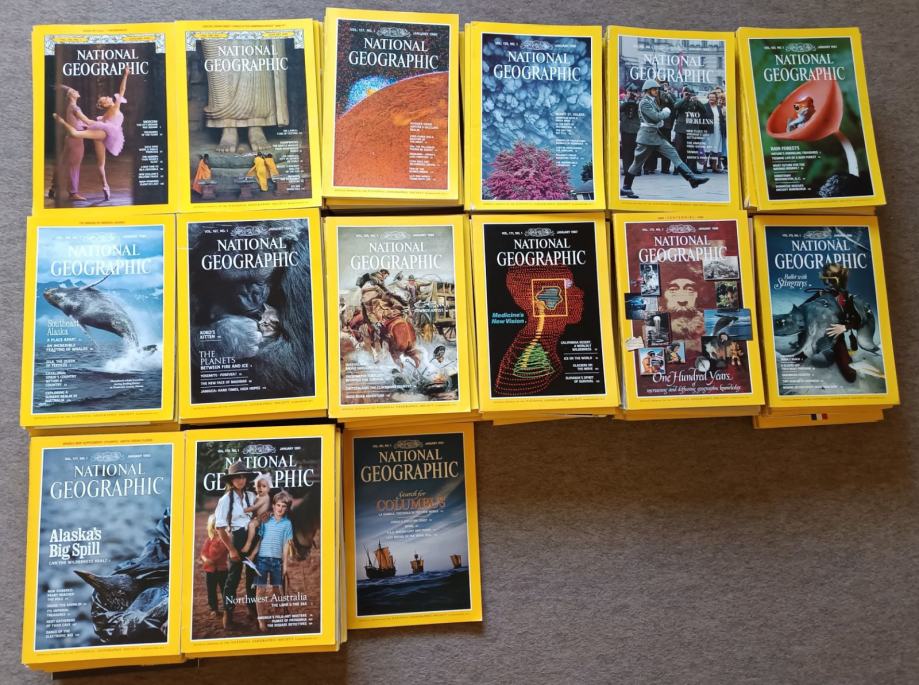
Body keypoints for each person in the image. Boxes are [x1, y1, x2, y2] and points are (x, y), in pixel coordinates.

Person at [52, 67, 130, 202]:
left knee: (99, 164)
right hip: (106, 133)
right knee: (97, 162)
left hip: (101, 132)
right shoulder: (114, 107)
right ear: (106, 104)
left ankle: (105, 186)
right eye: (105, 98)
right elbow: (122, 89)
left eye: (106, 97)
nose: (108, 97)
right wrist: (126, 75)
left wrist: (87, 124)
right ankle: (102, 186)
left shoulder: (105, 114)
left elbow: (91, 122)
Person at [620, 80, 709, 199]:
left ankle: (692, 179)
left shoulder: (651, 101)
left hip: (655, 135)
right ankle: (626, 187)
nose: (656, 91)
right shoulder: (644, 102)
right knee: (637, 163)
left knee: (673, 153)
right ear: (647, 90)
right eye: (654, 89)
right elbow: (656, 117)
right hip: (647, 137)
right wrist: (665, 112)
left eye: (657, 89)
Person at [214, 460, 260, 629]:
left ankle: (252, 610)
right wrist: (232, 550)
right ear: (231, 480)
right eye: (237, 477)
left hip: (252, 537)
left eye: (243, 477)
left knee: (252, 577)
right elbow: (220, 528)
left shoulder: (251, 496)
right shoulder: (225, 500)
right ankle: (228, 616)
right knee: (233, 579)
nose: (241, 480)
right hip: (237, 538)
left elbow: (257, 515)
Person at [250, 491, 294, 633]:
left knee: (277, 589)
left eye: (284, 506)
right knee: (260, 590)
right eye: (278, 505)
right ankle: (261, 620)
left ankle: (278, 614)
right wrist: (253, 554)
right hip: (262, 560)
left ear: (287, 508)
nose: (280, 509)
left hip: (276, 561)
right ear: (273, 506)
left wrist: (285, 565)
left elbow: (286, 545)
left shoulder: (287, 524)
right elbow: (260, 539)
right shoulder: (266, 520)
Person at [49, 85, 87, 202]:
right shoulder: (74, 107)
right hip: (76, 139)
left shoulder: (70, 107)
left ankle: (54, 187)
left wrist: (61, 87)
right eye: (75, 91)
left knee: (63, 163)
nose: (77, 91)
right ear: (71, 96)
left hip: (70, 138)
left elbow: (78, 123)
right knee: (74, 165)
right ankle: (73, 193)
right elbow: (86, 120)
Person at [239, 473, 273, 571]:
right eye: (258, 486)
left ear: (269, 488)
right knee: (256, 534)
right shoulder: (257, 496)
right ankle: (251, 555)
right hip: (257, 517)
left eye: (264, 486)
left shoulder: (265, 497)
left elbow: (254, 507)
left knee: (251, 525)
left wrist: (243, 510)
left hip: (262, 519)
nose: (260, 488)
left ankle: (248, 544)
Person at [671, 86, 707, 174]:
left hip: (693, 128)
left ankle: (692, 168)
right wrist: (684, 98)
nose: (688, 95)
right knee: (679, 150)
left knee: (692, 150)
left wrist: (697, 101)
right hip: (681, 129)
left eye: (690, 93)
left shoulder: (695, 102)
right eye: (686, 93)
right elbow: (675, 106)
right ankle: (678, 169)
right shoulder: (680, 101)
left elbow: (704, 110)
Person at [199, 514, 229, 618]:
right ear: (211, 528)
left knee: (224, 589)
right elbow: (203, 553)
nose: (217, 530)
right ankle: (214, 609)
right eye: (214, 527)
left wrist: (212, 560)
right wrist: (205, 560)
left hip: (222, 569)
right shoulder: (209, 540)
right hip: (210, 570)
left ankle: (227, 608)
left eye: (219, 527)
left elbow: (221, 552)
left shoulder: (225, 540)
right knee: (211, 590)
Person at [643, 80, 675, 175]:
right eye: (660, 84)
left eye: (665, 85)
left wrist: (668, 93)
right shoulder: (651, 94)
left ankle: (665, 168)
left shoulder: (669, 95)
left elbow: (674, 105)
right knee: (650, 146)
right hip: (654, 124)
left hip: (666, 124)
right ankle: (649, 167)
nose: (662, 86)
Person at [619, 87, 640, 175]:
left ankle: (635, 170)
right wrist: (627, 101)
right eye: (630, 93)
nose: (631, 95)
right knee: (627, 151)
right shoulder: (623, 103)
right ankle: (627, 170)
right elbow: (619, 110)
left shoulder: (640, 103)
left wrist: (637, 100)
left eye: (633, 93)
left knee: (636, 151)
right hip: (626, 130)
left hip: (635, 131)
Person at [703, 91, 725, 173]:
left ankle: (714, 167)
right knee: (707, 148)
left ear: (716, 99)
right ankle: (704, 166)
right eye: (710, 97)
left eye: (713, 97)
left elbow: (721, 119)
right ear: (708, 98)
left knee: (716, 148)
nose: (711, 98)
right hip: (708, 130)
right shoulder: (704, 106)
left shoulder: (719, 107)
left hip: (717, 130)